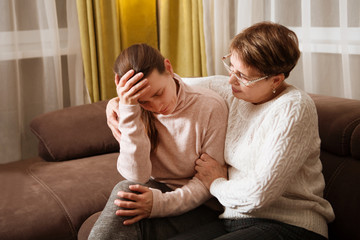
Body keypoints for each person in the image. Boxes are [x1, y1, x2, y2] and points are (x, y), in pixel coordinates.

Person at [106, 22, 335, 240]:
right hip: (233, 220)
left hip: (290, 226)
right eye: (231, 68)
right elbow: (170, 83)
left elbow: (259, 195)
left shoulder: (294, 108)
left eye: (243, 76)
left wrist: (216, 182)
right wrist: (117, 103)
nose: (231, 80)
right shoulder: (232, 90)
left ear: (276, 80)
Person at [88, 43, 228, 239]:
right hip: (157, 192)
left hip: (200, 207)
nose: (157, 106)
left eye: (158, 93)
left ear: (169, 69)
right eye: (144, 101)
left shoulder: (210, 108)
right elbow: (136, 175)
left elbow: (208, 183)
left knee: (125, 197)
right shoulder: (132, 110)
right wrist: (128, 111)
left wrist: (158, 205)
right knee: (127, 191)